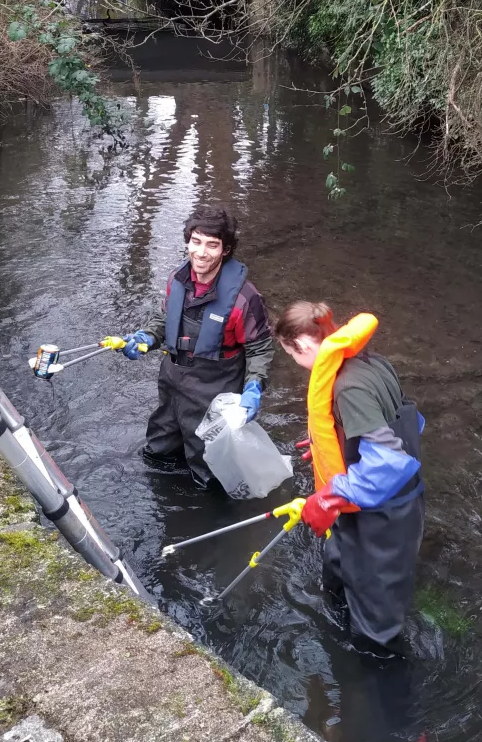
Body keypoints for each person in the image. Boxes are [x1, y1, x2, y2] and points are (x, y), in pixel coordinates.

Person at [274, 301, 425, 654]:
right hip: (359, 505)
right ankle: (338, 627)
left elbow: (389, 462)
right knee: (338, 572)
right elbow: (407, 422)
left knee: (376, 623)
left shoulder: (348, 388)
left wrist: (328, 496)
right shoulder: (372, 361)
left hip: (385, 514)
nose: (297, 364)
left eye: (291, 355)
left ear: (305, 345)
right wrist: (334, 450)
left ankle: (380, 677)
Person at [111, 206, 273, 488]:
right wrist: (147, 338)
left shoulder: (245, 298)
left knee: (207, 466)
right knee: (159, 449)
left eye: (212, 245)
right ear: (187, 241)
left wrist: (254, 385)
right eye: (196, 242)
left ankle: (210, 512)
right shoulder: (177, 280)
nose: (201, 252)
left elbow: (260, 347)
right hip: (172, 380)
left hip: (214, 385)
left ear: (225, 250)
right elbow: (164, 318)